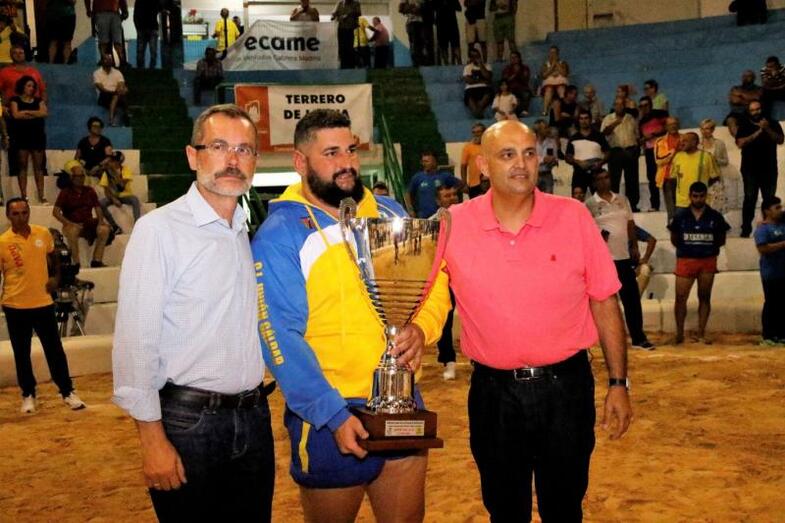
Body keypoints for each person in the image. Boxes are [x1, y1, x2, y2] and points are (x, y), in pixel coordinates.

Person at [251, 109, 450, 522]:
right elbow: (277, 334)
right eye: (330, 153)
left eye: (351, 150)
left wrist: (421, 328)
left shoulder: (391, 214)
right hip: (328, 415)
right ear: (300, 162)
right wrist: (330, 413)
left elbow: (435, 280)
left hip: (402, 402)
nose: (346, 163)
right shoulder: (281, 232)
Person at [442, 120, 632, 521]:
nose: (521, 164)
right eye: (507, 155)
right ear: (483, 167)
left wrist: (618, 382)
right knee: (504, 509)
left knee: (564, 508)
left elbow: (604, 300)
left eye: (529, 153)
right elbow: (431, 300)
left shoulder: (574, 216)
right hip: (493, 394)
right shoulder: (453, 224)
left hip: (567, 390)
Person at [112, 105, 274, 522]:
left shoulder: (242, 228)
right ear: (192, 155)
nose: (233, 160)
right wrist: (152, 439)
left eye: (244, 149)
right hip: (189, 425)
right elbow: (135, 342)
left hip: (253, 419)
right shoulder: (160, 230)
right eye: (219, 146)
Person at [1, 198, 87, 414]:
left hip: (43, 302)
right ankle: (28, 394)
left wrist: (56, 277)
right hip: (15, 304)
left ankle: (67, 391)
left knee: (55, 350)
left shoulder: (43, 233)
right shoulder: (3, 242)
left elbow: (54, 256)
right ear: (8, 216)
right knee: (21, 352)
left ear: (29, 213)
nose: (21, 217)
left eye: (24, 212)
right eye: (16, 214)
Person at [586, 169, 655, 350]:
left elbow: (630, 223)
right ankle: (608, 339)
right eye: (599, 179)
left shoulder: (622, 200)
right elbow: (587, 231)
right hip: (604, 260)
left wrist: (633, 245)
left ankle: (638, 337)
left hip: (623, 257)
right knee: (606, 302)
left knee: (631, 299)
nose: (604, 181)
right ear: (594, 183)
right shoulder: (590, 205)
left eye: (606, 177)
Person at [668, 182, 730, 344]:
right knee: (680, 297)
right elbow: (674, 239)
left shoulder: (715, 216)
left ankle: (701, 333)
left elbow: (721, 239)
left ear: (706, 196)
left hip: (707, 260)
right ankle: (679, 334)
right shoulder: (680, 215)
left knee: (704, 296)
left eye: (701, 195)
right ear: (690, 196)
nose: (698, 199)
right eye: (695, 196)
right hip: (685, 260)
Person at [735, 100, 784, 237]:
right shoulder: (744, 125)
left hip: (769, 169)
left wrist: (767, 128)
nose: (756, 112)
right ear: (749, 111)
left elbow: (780, 140)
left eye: (758, 109)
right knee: (750, 198)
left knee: (769, 200)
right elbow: (740, 142)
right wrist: (759, 131)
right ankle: (745, 230)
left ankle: (770, 230)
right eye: (753, 110)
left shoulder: (773, 123)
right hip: (750, 170)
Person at [52, 161, 111, 268]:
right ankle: (76, 262)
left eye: (82, 176)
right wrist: (69, 223)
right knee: (72, 231)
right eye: (77, 176)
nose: (80, 179)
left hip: (88, 223)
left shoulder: (90, 190)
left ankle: (96, 260)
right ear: (72, 178)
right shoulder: (65, 192)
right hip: (72, 223)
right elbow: (55, 212)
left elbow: (97, 207)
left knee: (104, 229)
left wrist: (100, 221)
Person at [431, 184, 459, 380]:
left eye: (453, 194)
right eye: (446, 195)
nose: (451, 198)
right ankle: (448, 361)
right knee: (445, 321)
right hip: (445, 279)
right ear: (438, 201)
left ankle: (479, 363)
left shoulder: (473, 219)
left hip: (470, 278)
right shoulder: (431, 223)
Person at [9, 76, 48, 204]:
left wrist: (26, 112)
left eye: (32, 86)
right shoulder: (14, 99)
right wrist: (34, 113)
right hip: (21, 136)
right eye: (28, 86)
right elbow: (16, 115)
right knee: (22, 166)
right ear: (22, 86)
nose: (31, 88)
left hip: (37, 136)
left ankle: (41, 195)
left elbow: (44, 113)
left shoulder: (39, 100)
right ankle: (23, 195)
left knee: (39, 167)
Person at [754, 197, 785, 345]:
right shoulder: (763, 229)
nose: (780, 210)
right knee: (772, 303)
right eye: (777, 207)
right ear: (767, 210)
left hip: (783, 271)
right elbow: (763, 248)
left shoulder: (783, 224)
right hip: (771, 272)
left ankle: (781, 334)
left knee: (782, 303)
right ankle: (768, 335)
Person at [602, 97, 641, 211]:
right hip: (615, 152)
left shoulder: (631, 118)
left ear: (624, 106)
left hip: (630, 150)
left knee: (632, 180)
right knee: (614, 180)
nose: (619, 107)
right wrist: (615, 123)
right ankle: (614, 205)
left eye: (621, 105)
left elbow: (636, 135)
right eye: (617, 105)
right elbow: (604, 133)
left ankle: (632, 205)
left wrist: (636, 150)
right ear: (614, 106)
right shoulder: (608, 118)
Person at [670, 132, 720, 212]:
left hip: (700, 203)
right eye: (681, 141)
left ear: (694, 142)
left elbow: (715, 178)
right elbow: (673, 179)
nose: (681, 143)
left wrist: (702, 188)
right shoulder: (677, 157)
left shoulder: (706, 156)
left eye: (685, 141)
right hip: (681, 203)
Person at [406, 150, 462, 217]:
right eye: (423, 161)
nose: (424, 164)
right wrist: (410, 210)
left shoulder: (444, 176)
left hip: (441, 216)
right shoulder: (417, 177)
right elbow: (408, 194)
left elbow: (460, 184)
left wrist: (453, 191)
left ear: (434, 162)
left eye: (427, 161)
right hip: (424, 217)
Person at [565, 109, 609, 193]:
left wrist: (600, 163)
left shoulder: (599, 136)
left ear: (590, 119)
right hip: (579, 173)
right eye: (581, 118)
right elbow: (568, 156)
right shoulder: (573, 138)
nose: (583, 121)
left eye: (586, 118)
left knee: (598, 200)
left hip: (596, 172)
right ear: (578, 120)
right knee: (577, 201)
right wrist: (578, 162)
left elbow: (608, 152)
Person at [98, 151, 142, 234]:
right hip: (112, 196)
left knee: (134, 199)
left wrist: (114, 172)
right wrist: (113, 199)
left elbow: (122, 186)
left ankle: (138, 224)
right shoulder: (106, 172)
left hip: (125, 195)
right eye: (112, 160)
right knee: (101, 203)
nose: (112, 162)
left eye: (115, 161)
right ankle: (115, 227)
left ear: (119, 162)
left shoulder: (125, 169)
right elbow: (106, 189)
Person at [638, 95, 667, 211]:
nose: (644, 108)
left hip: (663, 150)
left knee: (666, 177)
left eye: (646, 105)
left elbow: (668, 128)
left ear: (650, 105)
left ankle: (671, 204)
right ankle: (655, 205)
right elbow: (642, 137)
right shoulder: (641, 122)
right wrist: (642, 140)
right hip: (650, 151)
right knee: (652, 178)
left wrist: (654, 134)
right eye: (641, 106)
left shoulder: (660, 114)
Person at [698, 119, 730, 213]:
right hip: (701, 177)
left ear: (712, 130)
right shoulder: (697, 144)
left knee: (716, 207)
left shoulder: (719, 143)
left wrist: (714, 159)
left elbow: (725, 161)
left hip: (715, 178)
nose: (704, 131)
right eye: (702, 129)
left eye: (707, 128)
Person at [85, 0, 129, 66]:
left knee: (104, 41)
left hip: (101, 11)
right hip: (114, 11)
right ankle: (122, 61)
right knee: (117, 41)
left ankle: (104, 59)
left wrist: (88, 10)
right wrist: (124, 10)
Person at [654, 116, 681, 222]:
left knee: (684, 206)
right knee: (671, 209)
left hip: (684, 177)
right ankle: (673, 230)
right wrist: (674, 151)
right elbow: (659, 160)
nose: (673, 126)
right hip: (668, 177)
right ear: (666, 127)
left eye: (674, 123)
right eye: (670, 124)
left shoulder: (685, 138)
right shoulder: (660, 141)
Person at [93, 53, 128, 127]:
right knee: (117, 97)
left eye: (110, 60)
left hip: (117, 94)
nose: (109, 61)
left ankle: (112, 120)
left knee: (119, 95)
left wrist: (119, 90)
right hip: (104, 95)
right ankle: (112, 119)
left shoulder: (117, 72)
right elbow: (101, 88)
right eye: (106, 59)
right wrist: (115, 92)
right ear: (102, 61)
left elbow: (121, 83)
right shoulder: (97, 73)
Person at [539, 45, 570, 116]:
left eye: (555, 53)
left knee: (561, 89)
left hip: (560, 82)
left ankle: (564, 109)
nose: (553, 55)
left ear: (558, 54)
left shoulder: (563, 63)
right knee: (549, 90)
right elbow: (544, 75)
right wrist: (552, 66)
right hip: (549, 83)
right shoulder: (545, 64)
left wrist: (556, 63)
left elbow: (564, 73)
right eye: (551, 53)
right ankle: (545, 110)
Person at [462, 48, 492, 118]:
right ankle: (477, 112)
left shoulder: (487, 66)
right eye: (474, 56)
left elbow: (488, 76)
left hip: (484, 88)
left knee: (488, 93)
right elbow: (468, 80)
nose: (476, 58)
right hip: (471, 89)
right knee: (469, 96)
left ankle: (477, 112)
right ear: (471, 58)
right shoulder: (467, 67)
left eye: (477, 56)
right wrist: (482, 80)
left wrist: (481, 65)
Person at [132, 0, 162, 69]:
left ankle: (141, 72)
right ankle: (152, 70)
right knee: (153, 53)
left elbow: (135, 16)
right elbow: (161, 8)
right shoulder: (156, 2)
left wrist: (138, 28)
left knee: (140, 53)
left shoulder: (139, 2)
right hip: (152, 27)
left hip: (142, 28)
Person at [501, 51, 531, 116]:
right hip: (510, 89)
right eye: (512, 58)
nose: (513, 59)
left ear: (519, 58)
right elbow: (505, 80)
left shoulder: (525, 68)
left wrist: (519, 74)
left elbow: (525, 79)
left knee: (526, 94)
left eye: (515, 57)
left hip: (522, 88)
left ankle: (524, 111)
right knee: (514, 99)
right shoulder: (507, 68)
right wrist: (515, 74)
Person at [332, 0, 361, 69]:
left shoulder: (356, 3)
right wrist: (334, 16)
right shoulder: (340, 3)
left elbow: (358, 14)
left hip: (351, 29)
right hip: (341, 29)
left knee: (350, 48)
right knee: (342, 48)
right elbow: (334, 13)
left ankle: (351, 66)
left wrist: (348, 15)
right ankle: (343, 65)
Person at [461, 122, 485, 197]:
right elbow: (463, 166)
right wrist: (464, 184)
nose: (476, 134)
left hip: (488, 183)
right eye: (474, 132)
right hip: (474, 184)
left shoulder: (490, 145)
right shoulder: (468, 147)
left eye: (478, 132)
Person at [534, 118, 558, 194]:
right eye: (545, 128)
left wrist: (554, 161)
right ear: (538, 130)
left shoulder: (552, 142)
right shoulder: (531, 142)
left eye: (548, 127)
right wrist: (543, 159)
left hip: (547, 174)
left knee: (549, 199)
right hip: (535, 175)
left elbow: (555, 157)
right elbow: (529, 158)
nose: (548, 129)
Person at [433, 0, 461, 65]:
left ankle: (459, 64)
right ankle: (446, 64)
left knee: (455, 45)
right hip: (441, 25)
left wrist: (449, 4)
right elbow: (431, 7)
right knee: (443, 46)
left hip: (451, 24)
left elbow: (459, 8)